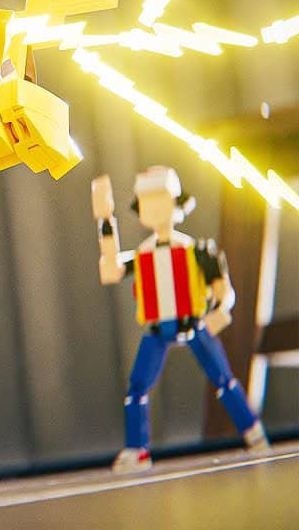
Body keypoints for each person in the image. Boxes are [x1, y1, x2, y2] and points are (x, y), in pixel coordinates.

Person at [91, 166, 268, 472]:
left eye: (160, 199)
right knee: (137, 388)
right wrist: (105, 222)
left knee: (223, 380)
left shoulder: (197, 250)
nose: (155, 208)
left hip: (194, 325)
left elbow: (223, 291)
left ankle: (253, 431)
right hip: (158, 329)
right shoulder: (142, 255)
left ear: (177, 203)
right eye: (148, 202)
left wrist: (220, 311)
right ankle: (137, 449)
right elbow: (111, 270)